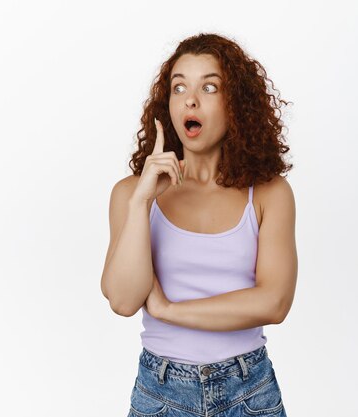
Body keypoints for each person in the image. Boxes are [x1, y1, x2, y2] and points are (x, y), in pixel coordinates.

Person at [101, 32, 297, 417]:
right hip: (161, 393)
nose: (190, 99)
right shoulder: (131, 193)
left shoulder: (270, 193)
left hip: (249, 391)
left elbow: (273, 303)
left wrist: (167, 309)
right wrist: (142, 201)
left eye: (209, 87)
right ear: (168, 104)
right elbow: (123, 300)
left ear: (236, 104)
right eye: (179, 87)